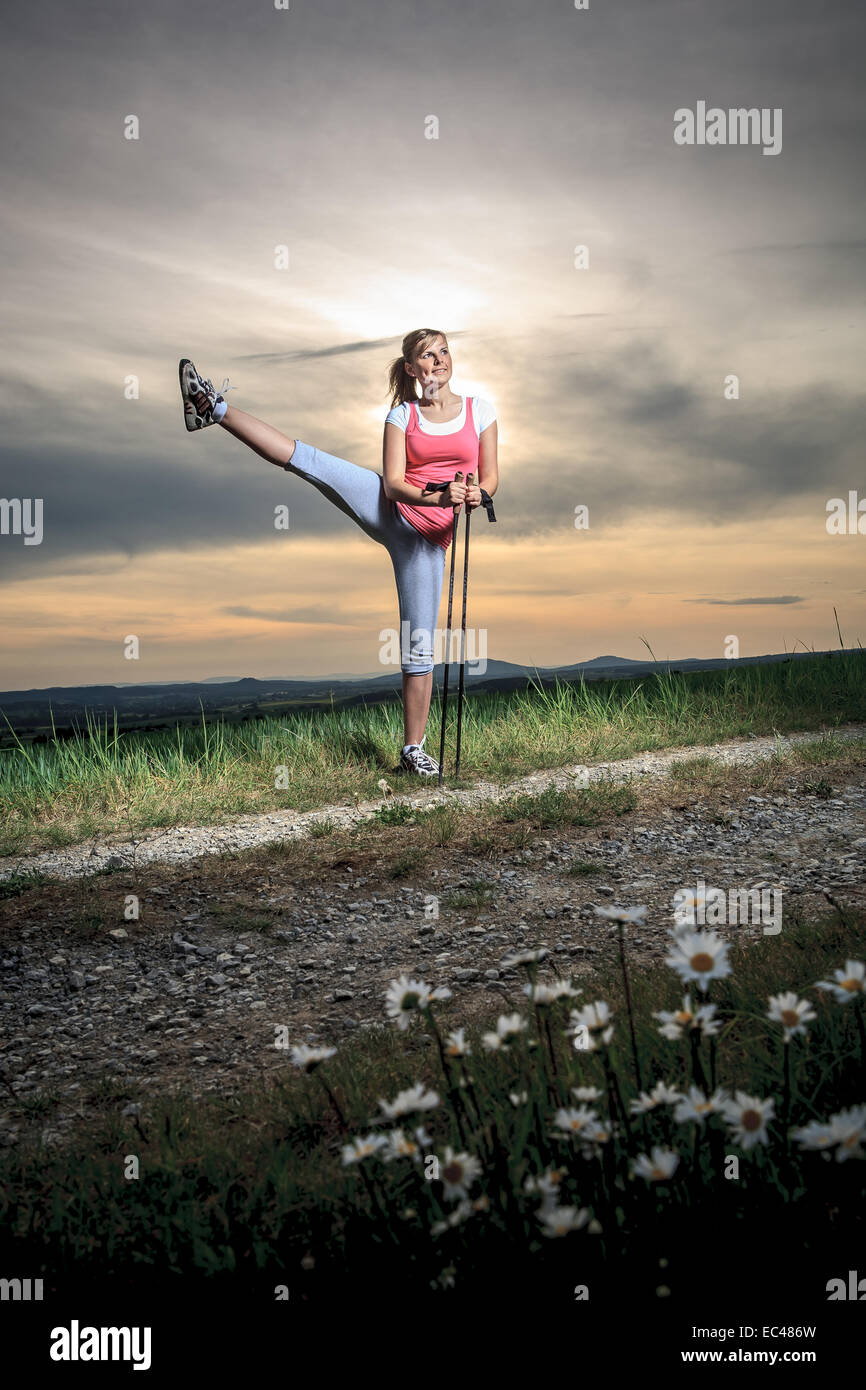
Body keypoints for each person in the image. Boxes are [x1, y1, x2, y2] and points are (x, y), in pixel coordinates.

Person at [178, 327, 499, 777]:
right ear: (412, 369)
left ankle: (412, 752)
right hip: (395, 511)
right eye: (428, 355)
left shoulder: (479, 410)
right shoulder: (400, 416)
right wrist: (442, 497)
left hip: (426, 544)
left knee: (419, 648)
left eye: (444, 351)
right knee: (309, 460)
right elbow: (392, 484)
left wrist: (476, 495)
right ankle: (213, 408)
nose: (440, 360)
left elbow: (491, 478)